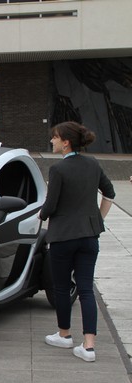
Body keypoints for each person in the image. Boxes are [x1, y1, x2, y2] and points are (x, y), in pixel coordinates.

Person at [40, 121, 115, 363]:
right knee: (85, 289)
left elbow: (50, 207)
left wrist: (40, 215)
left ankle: (64, 335)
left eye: (55, 137)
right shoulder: (93, 164)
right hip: (89, 237)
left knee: (62, 287)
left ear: (66, 142)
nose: (52, 141)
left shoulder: (58, 170)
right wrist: (97, 220)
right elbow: (109, 193)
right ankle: (89, 345)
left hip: (63, 237)